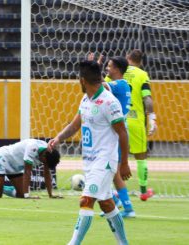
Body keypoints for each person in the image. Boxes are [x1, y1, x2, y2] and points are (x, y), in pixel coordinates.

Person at [48, 60, 131, 245]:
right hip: (90, 161)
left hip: (105, 161)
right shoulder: (86, 99)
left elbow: (122, 132)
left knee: (86, 200)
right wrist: (58, 138)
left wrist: (124, 163)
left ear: (83, 80)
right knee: (107, 203)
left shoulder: (109, 102)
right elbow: (75, 124)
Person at [107, 50, 157, 201]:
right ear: (140, 61)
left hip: (116, 120)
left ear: (127, 58)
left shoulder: (113, 73)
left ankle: (113, 192)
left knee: (112, 159)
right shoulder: (142, 75)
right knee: (141, 157)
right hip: (135, 121)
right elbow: (147, 99)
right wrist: (152, 118)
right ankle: (143, 191)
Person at [103, 56, 135, 218]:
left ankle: (128, 208)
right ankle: (116, 201)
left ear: (117, 69)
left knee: (114, 172)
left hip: (117, 132)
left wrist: (93, 68)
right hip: (116, 130)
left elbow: (98, 85)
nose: (107, 69)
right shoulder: (123, 85)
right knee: (109, 170)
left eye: (109, 66)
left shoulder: (119, 85)